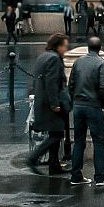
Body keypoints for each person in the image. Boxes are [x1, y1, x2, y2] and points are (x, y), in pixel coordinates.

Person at [67, 36, 104, 186]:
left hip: (78, 106)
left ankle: (76, 175)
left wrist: (74, 100)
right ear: (100, 48)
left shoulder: (78, 62)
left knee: (79, 141)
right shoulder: (101, 63)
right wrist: (103, 103)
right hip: (93, 106)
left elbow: (71, 84)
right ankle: (99, 177)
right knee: (98, 141)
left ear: (88, 47)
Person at [27, 33, 70, 176]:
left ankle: (54, 165)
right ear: (58, 46)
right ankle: (33, 158)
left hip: (43, 101)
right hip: (50, 104)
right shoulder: (54, 59)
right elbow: (51, 83)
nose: (66, 49)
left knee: (55, 133)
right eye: (64, 46)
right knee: (56, 135)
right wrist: (54, 104)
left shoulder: (43, 56)